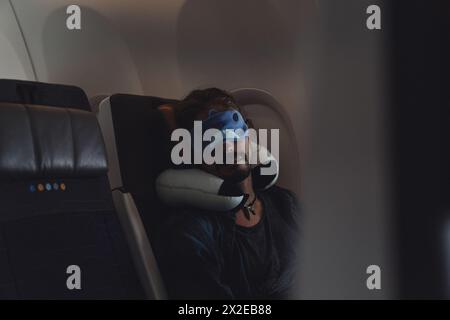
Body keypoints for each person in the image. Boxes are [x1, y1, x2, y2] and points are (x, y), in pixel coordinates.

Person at [154, 88, 300, 299]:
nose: (226, 148)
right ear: (193, 157)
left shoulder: (286, 203)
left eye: (232, 130)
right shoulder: (191, 233)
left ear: (249, 136)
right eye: (209, 142)